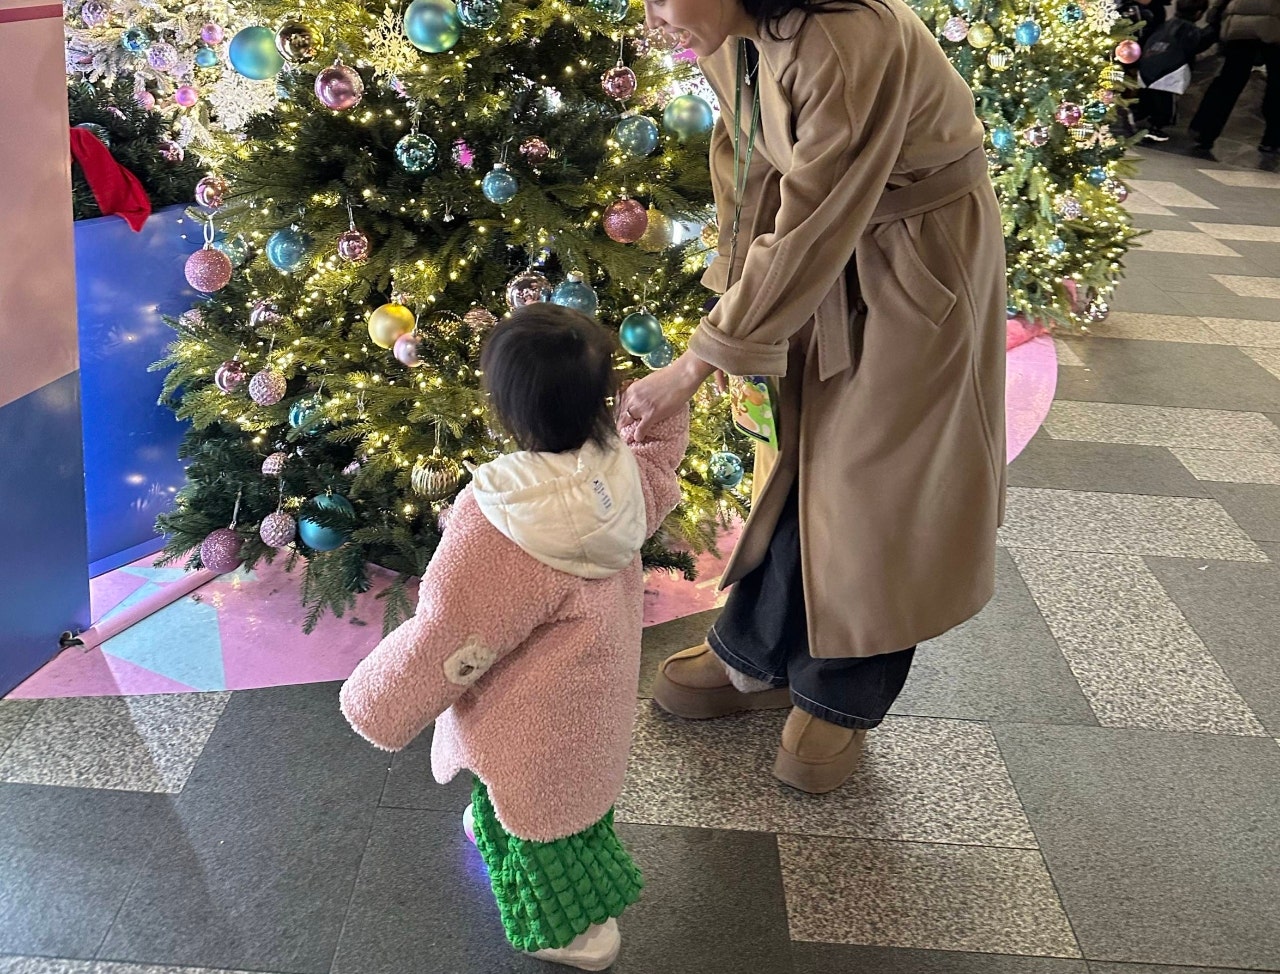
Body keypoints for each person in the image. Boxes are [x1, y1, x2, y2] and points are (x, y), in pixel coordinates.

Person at [626, 0, 1006, 795]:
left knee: (878, 483)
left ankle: (840, 694)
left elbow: (813, 219)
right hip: (825, 254)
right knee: (798, 453)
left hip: (916, 258)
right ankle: (757, 656)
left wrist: (698, 360)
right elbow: (750, 169)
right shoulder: (729, 30)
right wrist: (737, 305)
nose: (653, 17)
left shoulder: (843, 35)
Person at [340, 305, 689, 971]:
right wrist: (664, 401)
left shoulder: (497, 517)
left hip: (525, 713)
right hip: (594, 699)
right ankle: (505, 829)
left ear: (504, 409)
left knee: (537, 813)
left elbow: (450, 633)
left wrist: (378, 702)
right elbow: (658, 451)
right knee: (571, 793)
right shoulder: (622, 477)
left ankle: (573, 929)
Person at [1189, 0, 1280, 154]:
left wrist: (1215, 13)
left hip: (1240, 25)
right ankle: (1272, 139)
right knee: (1276, 84)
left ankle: (1204, 130)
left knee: (1229, 79)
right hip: (1275, 24)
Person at [1136, 0, 1216, 141]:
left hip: (1147, 66)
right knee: (1166, 103)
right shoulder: (1189, 30)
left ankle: (1137, 117)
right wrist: (1214, 29)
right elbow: (1199, 44)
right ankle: (1156, 127)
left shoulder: (1164, 25)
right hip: (1169, 71)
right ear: (1199, 13)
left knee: (1147, 98)